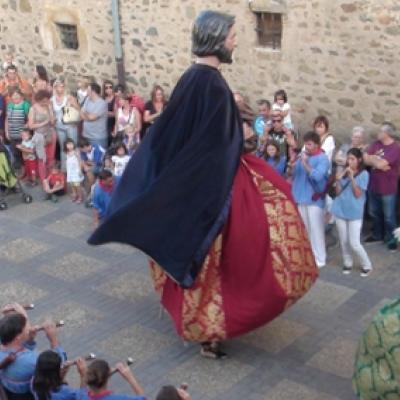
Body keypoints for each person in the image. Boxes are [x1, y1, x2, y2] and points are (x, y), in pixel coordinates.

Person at [89, 10, 318, 358]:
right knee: (237, 248)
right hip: (215, 183)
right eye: (231, 35)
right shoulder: (209, 84)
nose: (235, 40)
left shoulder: (193, 79)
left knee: (219, 258)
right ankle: (211, 328)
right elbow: (208, 142)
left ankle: (210, 328)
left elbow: (177, 135)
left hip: (212, 177)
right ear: (215, 39)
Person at [0, 303, 66, 398]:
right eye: (26, 329)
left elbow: (16, 351)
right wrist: (53, 339)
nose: (29, 329)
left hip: (7, 390)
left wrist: (29, 340)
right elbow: (58, 366)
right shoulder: (32, 360)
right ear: (18, 337)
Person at [290, 131, 330, 268]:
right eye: (305, 144)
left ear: (317, 145)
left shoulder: (323, 158)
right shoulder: (303, 156)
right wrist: (293, 163)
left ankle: (320, 258)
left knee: (316, 229)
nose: (306, 147)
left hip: (314, 199)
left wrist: (306, 163)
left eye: (309, 144)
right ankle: (309, 255)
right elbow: (294, 175)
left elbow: (318, 176)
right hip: (301, 197)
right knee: (305, 229)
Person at [332, 148, 372, 276]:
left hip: (355, 212)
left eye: (352, 159)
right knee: (343, 240)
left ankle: (367, 265)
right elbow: (337, 192)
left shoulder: (364, 174)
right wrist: (338, 180)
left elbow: (358, 193)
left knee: (354, 242)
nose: (349, 162)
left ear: (359, 160)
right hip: (340, 209)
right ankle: (347, 263)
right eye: (348, 159)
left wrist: (352, 178)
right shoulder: (342, 171)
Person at [363, 122, 400, 251]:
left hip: (388, 187)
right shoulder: (376, 144)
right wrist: (377, 162)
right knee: (374, 212)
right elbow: (365, 158)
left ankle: (392, 239)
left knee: (389, 216)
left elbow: (378, 164)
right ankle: (377, 235)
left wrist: (375, 161)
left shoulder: (395, 148)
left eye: (380, 131)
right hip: (374, 185)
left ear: (387, 134)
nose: (377, 133)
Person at [28, 90, 57, 182]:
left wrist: (52, 117)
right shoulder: (33, 109)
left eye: (47, 100)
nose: (45, 102)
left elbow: (52, 122)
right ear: (38, 100)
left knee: (51, 157)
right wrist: (44, 123)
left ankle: (50, 177)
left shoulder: (48, 106)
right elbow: (31, 125)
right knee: (42, 158)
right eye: (43, 101)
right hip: (40, 136)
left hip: (50, 133)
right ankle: (43, 178)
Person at [51, 78, 80, 170]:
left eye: (62, 86)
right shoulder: (52, 99)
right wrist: (53, 120)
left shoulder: (69, 97)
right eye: (58, 86)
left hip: (70, 126)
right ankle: (64, 168)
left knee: (73, 146)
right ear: (55, 87)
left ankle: (76, 168)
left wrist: (73, 104)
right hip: (59, 126)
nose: (60, 89)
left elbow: (78, 110)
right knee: (63, 147)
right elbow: (52, 113)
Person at [5, 88, 31, 168]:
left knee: (24, 152)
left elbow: (29, 119)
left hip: (22, 135)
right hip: (12, 134)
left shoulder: (25, 105)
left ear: (21, 96)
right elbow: (7, 119)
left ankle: (26, 169)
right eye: (13, 95)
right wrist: (7, 132)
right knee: (15, 152)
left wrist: (25, 129)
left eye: (17, 95)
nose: (15, 97)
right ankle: (19, 169)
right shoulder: (9, 105)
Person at [80, 83, 108, 149]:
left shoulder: (102, 103)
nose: (86, 92)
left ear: (93, 92)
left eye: (88, 90)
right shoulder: (87, 100)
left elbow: (91, 117)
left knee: (98, 158)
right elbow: (82, 115)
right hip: (86, 135)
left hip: (98, 138)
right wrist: (88, 114)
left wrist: (81, 110)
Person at [64, 138, 84, 203]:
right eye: (68, 144)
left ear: (73, 144)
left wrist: (80, 170)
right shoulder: (67, 152)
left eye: (71, 144)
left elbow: (80, 161)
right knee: (72, 185)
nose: (70, 146)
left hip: (76, 172)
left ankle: (80, 197)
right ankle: (75, 195)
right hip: (70, 172)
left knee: (77, 185)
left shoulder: (76, 152)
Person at [102, 80, 116, 146]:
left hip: (112, 124)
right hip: (103, 124)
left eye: (110, 87)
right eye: (106, 88)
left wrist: (104, 112)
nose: (109, 89)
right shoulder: (102, 98)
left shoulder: (116, 99)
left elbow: (116, 114)